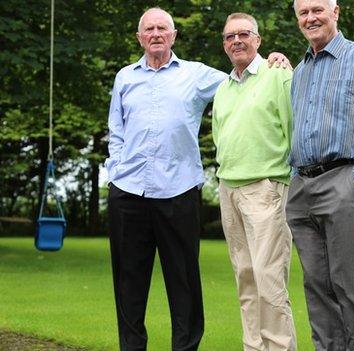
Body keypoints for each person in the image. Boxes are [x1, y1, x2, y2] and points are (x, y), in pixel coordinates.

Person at [105, 7, 289, 351]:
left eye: (163, 28)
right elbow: (116, 129)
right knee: (128, 282)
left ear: (173, 36)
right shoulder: (124, 77)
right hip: (128, 193)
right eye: (149, 29)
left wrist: (272, 60)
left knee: (184, 282)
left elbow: (244, 79)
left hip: (179, 192)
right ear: (140, 37)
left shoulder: (199, 75)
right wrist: (115, 169)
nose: (156, 34)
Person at [286, 1, 354, 350]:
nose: (310, 18)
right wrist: (293, 179)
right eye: (303, 12)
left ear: (336, 12)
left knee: (350, 286)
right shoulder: (300, 71)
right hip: (302, 187)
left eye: (317, 9)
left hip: (342, 181)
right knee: (316, 287)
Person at [212, 12, 297, 351]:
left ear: (258, 40)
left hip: (266, 188)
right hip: (228, 188)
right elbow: (221, 137)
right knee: (245, 277)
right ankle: (253, 347)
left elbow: (294, 131)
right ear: (224, 44)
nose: (237, 40)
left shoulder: (278, 75)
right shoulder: (223, 87)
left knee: (268, 279)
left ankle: (278, 348)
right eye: (230, 36)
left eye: (244, 33)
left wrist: (291, 181)